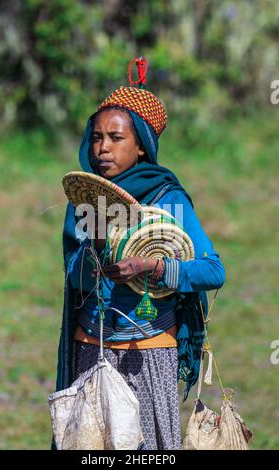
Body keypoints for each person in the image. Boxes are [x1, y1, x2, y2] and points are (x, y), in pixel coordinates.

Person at [54, 58, 226, 450]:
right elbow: (75, 276)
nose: (102, 148)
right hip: (91, 350)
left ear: (142, 146)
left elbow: (213, 271)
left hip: (148, 353)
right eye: (96, 137)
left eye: (116, 138)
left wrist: (153, 266)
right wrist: (96, 249)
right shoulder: (85, 198)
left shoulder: (170, 199)